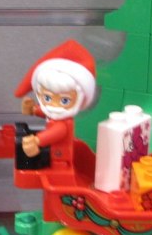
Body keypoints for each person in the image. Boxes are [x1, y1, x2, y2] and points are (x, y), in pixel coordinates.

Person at [14, 40, 97, 170]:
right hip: (54, 152)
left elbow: (57, 132)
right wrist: (33, 110)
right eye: (47, 98)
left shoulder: (63, 124)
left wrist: (37, 140)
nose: (54, 105)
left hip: (59, 159)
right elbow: (48, 113)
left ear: (80, 99)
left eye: (64, 100)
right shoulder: (58, 113)